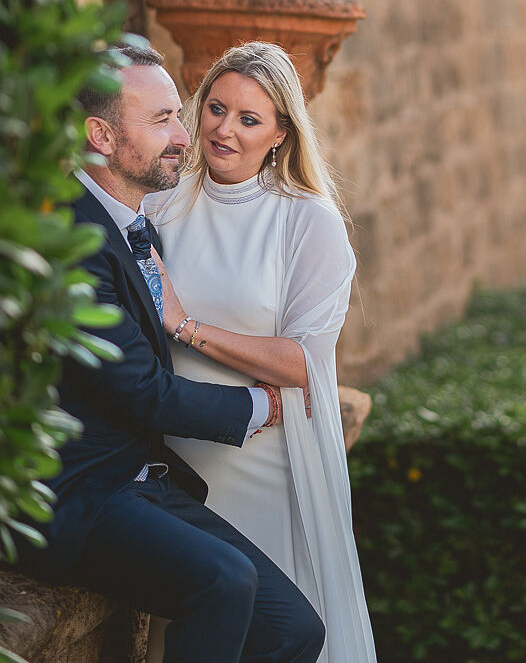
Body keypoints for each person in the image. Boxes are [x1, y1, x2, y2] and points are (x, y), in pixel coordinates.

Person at [15, 42, 325, 663]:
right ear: (100, 135)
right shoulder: (71, 239)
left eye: (175, 115)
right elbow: (143, 392)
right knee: (222, 581)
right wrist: (262, 406)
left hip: (143, 481)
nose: (185, 135)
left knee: (295, 631)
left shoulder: (135, 222)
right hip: (81, 492)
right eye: (161, 120)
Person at [145, 41, 376, 663]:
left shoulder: (308, 221)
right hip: (180, 456)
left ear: (280, 134)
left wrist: (187, 327)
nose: (224, 129)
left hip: (269, 454)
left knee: (275, 629)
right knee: (194, 626)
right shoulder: (159, 205)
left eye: (249, 119)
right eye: (215, 109)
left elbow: (303, 362)